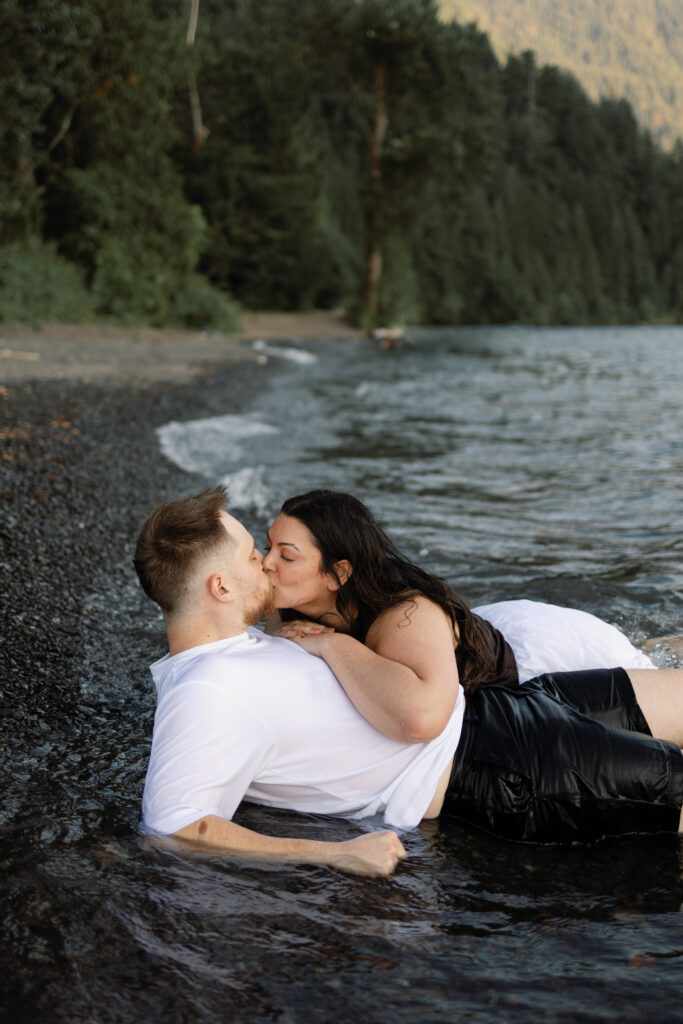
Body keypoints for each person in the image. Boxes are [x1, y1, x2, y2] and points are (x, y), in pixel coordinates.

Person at [134, 487, 683, 877]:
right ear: (222, 588)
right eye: (255, 557)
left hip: (501, 707)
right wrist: (333, 854)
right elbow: (175, 825)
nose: (268, 567)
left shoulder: (238, 643)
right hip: (499, 766)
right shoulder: (206, 691)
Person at [263, 489, 655, 742]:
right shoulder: (294, 597)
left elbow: (422, 717)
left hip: (542, 657)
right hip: (479, 630)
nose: (265, 563)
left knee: (647, 671)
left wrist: (332, 643)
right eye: (267, 547)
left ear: (339, 574)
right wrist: (281, 629)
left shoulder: (402, 617)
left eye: (287, 555)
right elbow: (273, 622)